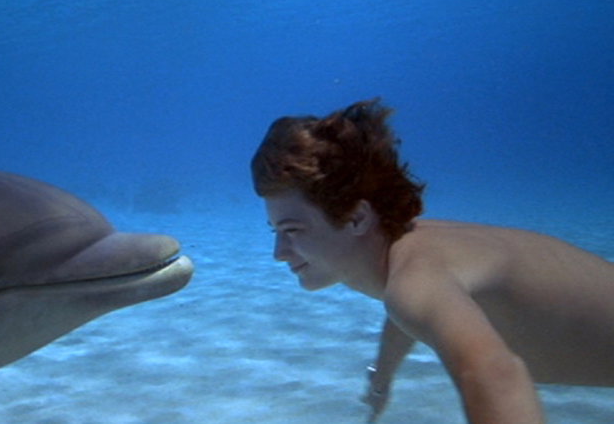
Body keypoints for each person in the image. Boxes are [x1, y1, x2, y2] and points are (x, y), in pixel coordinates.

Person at [250, 98, 614, 423]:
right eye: (275, 231)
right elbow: (405, 314)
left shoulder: (414, 280)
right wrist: (381, 378)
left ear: (357, 218)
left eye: (292, 230)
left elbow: (496, 376)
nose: (279, 253)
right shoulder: (404, 251)